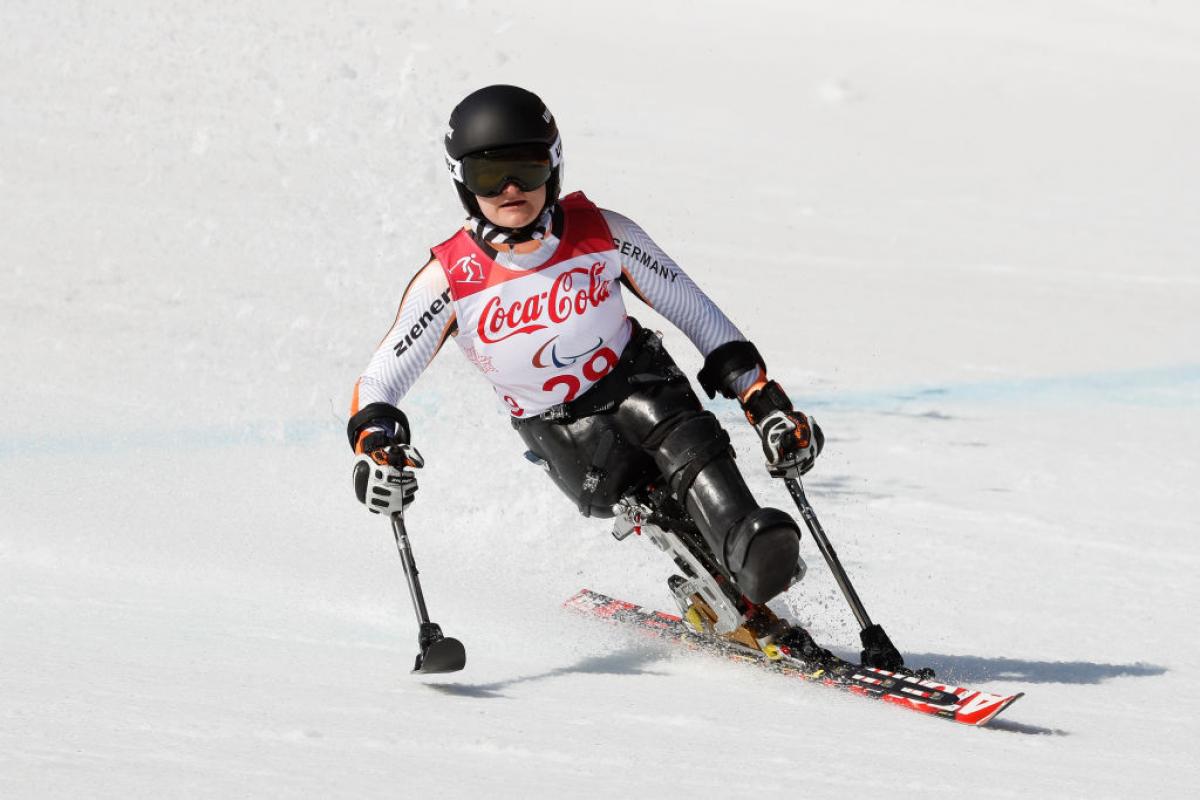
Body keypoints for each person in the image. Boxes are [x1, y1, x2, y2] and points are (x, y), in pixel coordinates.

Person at [348, 84, 823, 612]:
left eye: (526, 170)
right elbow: (379, 380)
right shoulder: (450, 280)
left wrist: (762, 399)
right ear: (462, 181)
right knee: (636, 459)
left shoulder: (604, 232)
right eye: (488, 175)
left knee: (675, 424)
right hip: (569, 438)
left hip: (643, 385)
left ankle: (749, 549)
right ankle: (731, 569)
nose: (510, 189)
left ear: (553, 166)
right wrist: (374, 449)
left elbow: (699, 315)